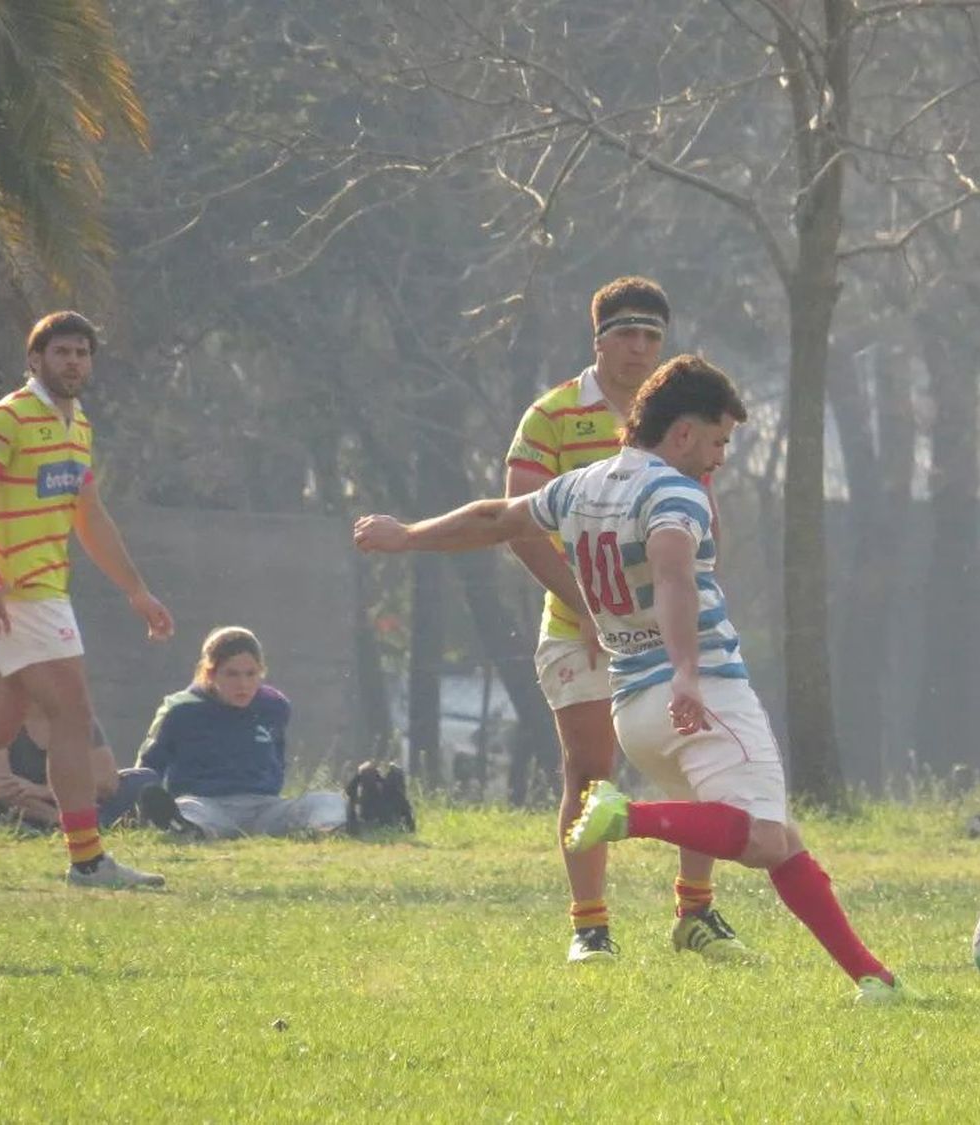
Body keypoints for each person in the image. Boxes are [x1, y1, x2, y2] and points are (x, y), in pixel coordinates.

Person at [356, 355, 918, 1004]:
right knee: (764, 836)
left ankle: (874, 979)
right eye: (717, 441)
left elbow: (497, 517)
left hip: (632, 707)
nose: (720, 459)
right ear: (681, 434)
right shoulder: (675, 491)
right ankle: (628, 816)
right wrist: (686, 672)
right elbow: (675, 573)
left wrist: (408, 536)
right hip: (701, 693)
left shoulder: (583, 486)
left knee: (779, 838)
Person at [503, 276, 744, 964]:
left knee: (698, 763)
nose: (639, 348)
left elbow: (699, 510)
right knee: (589, 770)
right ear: (599, 338)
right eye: (626, 334)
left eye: (651, 337)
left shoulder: (677, 417)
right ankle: (590, 926)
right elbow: (520, 525)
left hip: (661, 629)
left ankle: (695, 912)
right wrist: (585, 603)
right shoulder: (551, 417)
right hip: (577, 622)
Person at [0, 311, 173, 888]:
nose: (74, 361)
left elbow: (89, 516)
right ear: (35, 359)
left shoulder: (77, 425)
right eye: (62, 352)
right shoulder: (7, 417)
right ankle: (88, 860)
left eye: (82, 353)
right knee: (72, 715)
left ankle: (88, 860)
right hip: (23, 596)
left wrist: (135, 589)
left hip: (44, 596)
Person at [134, 626, 347, 839]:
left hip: (265, 808)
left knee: (327, 800)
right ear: (210, 673)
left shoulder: (274, 707)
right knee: (188, 809)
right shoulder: (181, 710)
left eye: (251, 674)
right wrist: (139, 803)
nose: (243, 684)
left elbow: (278, 758)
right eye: (231, 674)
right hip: (208, 805)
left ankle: (330, 828)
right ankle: (186, 828)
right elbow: (149, 767)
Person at [0, 704, 156, 831]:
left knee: (143, 781)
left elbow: (107, 783)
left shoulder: (78, 716)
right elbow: (0, 787)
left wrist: (41, 791)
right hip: (22, 807)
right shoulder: (1, 719)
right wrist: (55, 818)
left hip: (80, 801)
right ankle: (88, 826)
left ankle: (87, 823)